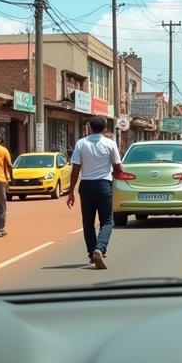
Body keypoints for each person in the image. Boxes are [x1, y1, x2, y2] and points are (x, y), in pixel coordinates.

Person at [66, 115, 123, 269]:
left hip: (86, 186)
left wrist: (71, 191)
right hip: (104, 185)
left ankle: (92, 253)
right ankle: (100, 247)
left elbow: (75, 169)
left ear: (89, 127)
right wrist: (121, 177)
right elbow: (117, 168)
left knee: (88, 222)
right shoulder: (110, 143)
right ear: (104, 128)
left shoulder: (81, 143)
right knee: (107, 221)